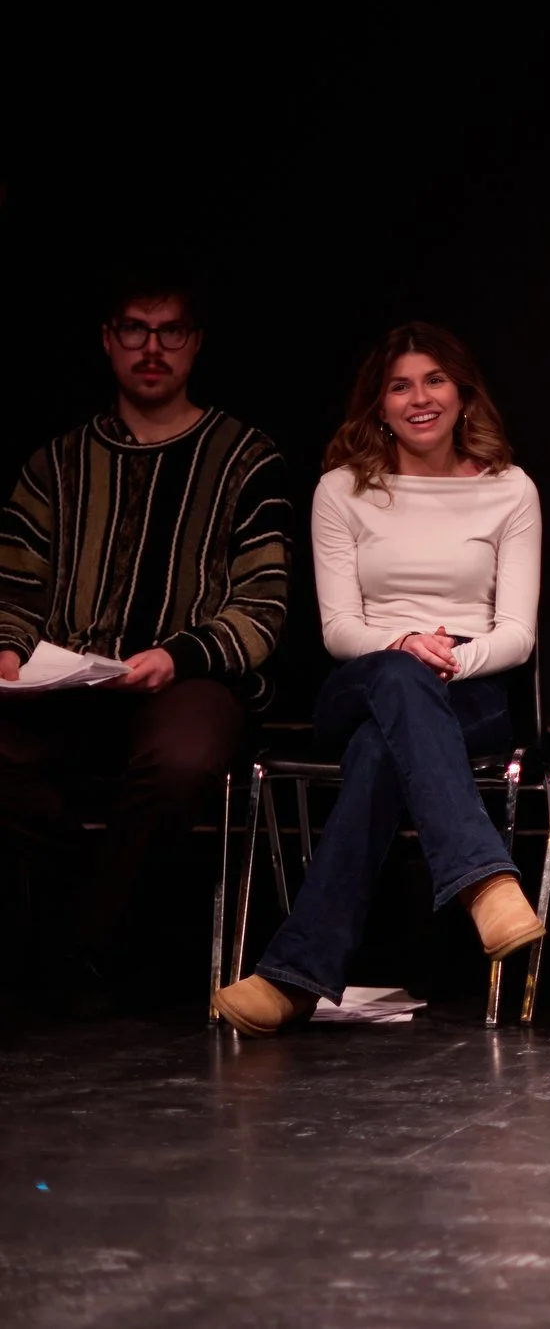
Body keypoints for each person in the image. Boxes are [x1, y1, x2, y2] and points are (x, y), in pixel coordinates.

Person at [211, 324, 544, 1034]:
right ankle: (485, 879)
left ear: (462, 394)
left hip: (470, 681)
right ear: (379, 404)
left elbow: (516, 632)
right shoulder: (341, 490)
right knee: (395, 680)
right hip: (365, 673)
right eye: (400, 385)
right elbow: (338, 628)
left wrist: (450, 656)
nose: (419, 398)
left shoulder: (510, 490)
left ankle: (293, 976)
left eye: (434, 381)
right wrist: (404, 645)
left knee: (378, 754)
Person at [0, 275, 290, 1008]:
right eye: (135, 329)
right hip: (65, 680)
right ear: (108, 339)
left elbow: (263, 602)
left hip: (186, 677)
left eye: (171, 331)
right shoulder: (56, 465)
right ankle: (91, 914)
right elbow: (14, 585)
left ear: (195, 343)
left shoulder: (243, 458)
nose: (152, 347)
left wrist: (179, 654)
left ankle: (84, 946)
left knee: (182, 759)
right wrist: (7, 648)